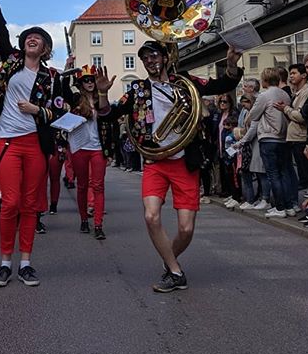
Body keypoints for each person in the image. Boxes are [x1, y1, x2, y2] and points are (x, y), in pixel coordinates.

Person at [95, 40, 242, 293]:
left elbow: (223, 85)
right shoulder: (138, 89)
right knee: (151, 216)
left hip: (185, 162)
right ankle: (175, 272)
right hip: (155, 162)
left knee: (186, 229)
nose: (149, 61)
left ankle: (169, 262)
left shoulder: (185, 82)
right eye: (145, 58)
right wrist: (101, 94)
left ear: (164, 57)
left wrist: (230, 65)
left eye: (153, 56)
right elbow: (111, 113)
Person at [0, 0, 64, 288]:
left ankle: (26, 263)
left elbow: (63, 108)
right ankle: (4, 262)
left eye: (39, 37)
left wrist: (38, 110)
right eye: (29, 35)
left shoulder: (52, 77)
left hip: (35, 144)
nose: (32, 38)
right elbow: (0, 28)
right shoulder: (13, 62)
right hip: (6, 141)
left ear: (45, 48)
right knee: (11, 202)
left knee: (31, 204)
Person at [62, 63, 117, 239]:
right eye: (85, 80)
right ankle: (84, 219)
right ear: (80, 84)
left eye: (91, 79)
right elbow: (63, 90)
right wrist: (68, 69)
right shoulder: (76, 100)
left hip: (97, 148)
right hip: (79, 148)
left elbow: (106, 112)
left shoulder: (100, 97)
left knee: (98, 186)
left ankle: (98, 224)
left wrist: (103, 91)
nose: (89, 82)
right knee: (83, 186)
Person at [245, 67, 295, 218]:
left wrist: (248, 120)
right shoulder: (285, 94)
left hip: (268, 137)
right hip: (284, 138)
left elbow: (254, 114)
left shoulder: (265, 95)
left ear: (265, 80)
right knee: (285, 172)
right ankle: (289, 205)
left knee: (273, 174)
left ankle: (279, 208)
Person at [274, 64, 308, 197]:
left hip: (301, 137)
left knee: (307, 174)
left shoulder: (307, 92)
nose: (291, 76)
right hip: (295, 136)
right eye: (290, 73)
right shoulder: (296, 92)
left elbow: (301, 116)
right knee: (302, 173)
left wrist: (285, 108)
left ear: (303, 75)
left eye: (294, 73)